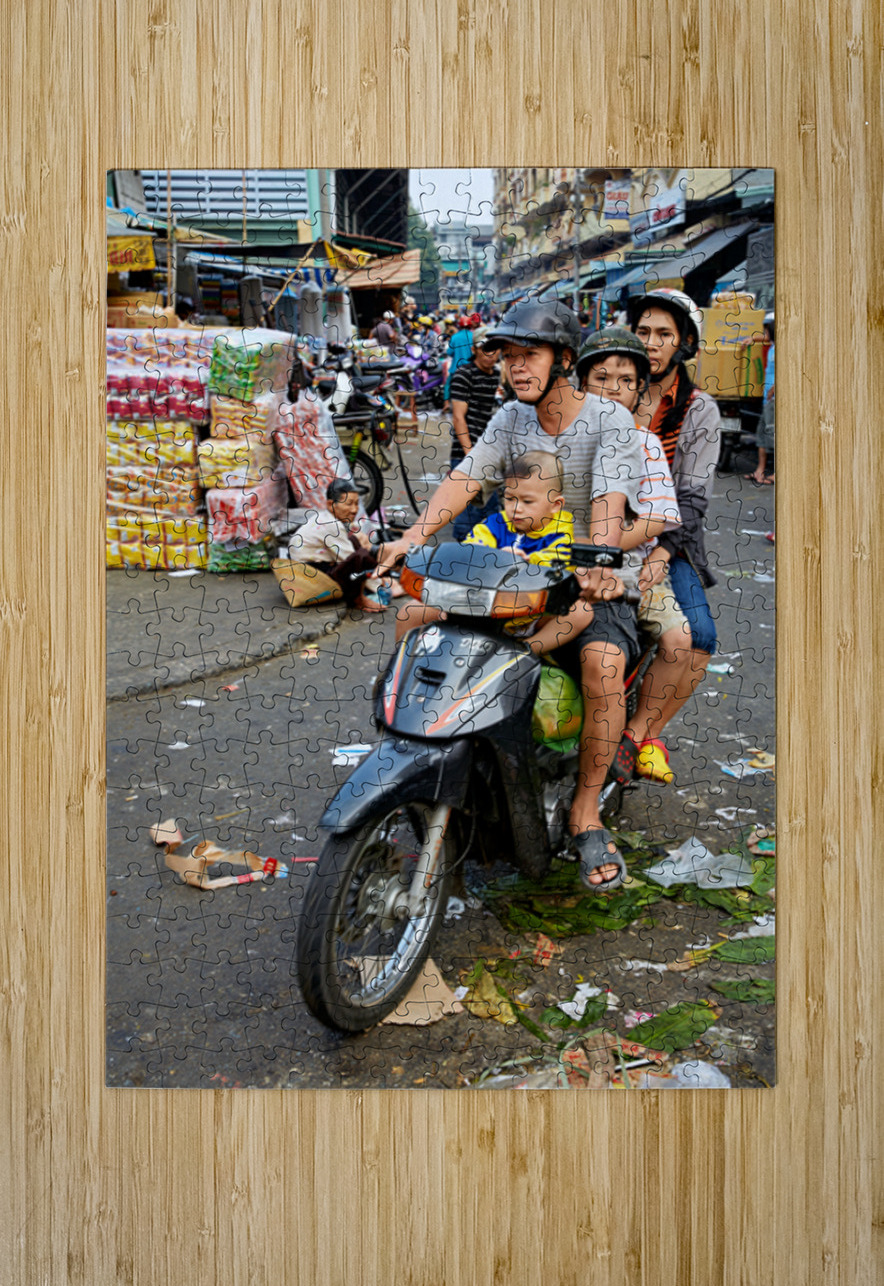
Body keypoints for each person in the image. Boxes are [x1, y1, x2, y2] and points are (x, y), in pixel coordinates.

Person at [378, 299, 646, 893]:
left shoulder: (609, 421)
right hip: (509, 574)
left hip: (581, 576)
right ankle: (415, 761)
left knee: (603, 662)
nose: (515, 367)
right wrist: (413, 535)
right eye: (508, 356)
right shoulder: (506, 420)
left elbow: (609, 497)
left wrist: (601, 560)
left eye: (529, 355)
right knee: (414, 618)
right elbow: (467, 477)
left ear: (565, 360)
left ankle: (584, 813)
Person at [573, 327, 692, 784]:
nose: (614, 389)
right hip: (556, 566)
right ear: (581, 383)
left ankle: (636, 733)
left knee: (678, 640)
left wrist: (596, 546)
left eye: (626, 380)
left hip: (630, 570)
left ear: (640, 388)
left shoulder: (646, 445)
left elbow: (657, 518)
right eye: (602, 378)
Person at [621, 287, 721, 778]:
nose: (652, 342)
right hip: (602, 537)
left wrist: (661, 551)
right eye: (644, 332)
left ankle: (642, 734)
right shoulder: (614, 384)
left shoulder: (700, 410)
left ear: (683, 344)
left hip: (671, 541)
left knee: (699, 635)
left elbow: (692, 500)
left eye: (664, 334)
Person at [286, 480, 386, 614]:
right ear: (330, 504)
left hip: (306, 568)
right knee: (360, 558)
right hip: (310, 575)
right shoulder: (332, 525)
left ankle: (373, 585)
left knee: (356, 540)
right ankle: (359, 599)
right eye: (349, 504)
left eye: (356, 504)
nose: (354, 510)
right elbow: (349, 558)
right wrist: (378, 584)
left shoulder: (323, 517)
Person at [448, 326, 503, 540]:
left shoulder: (496, 374)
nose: (491, 355)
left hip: (489, 453)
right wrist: (470, 453)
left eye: (494, 350)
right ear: (475, 349)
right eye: (485, 349)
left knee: (491, 513)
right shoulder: (464, 374)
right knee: (468, 517)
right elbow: (459, 417)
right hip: (467, 453)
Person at [746, 312, 775, 484]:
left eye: (766, 330)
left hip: (775, 398)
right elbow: (763, 338)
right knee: (762, 435)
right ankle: (760, 470)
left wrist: (774, 388)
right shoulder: (772, 345)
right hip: (767, 399)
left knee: (773, 435)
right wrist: (752, 339)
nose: (764, 334)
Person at [441, 316, 476, 411]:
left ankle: (446, 403)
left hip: (456, 368)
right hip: (470, 368)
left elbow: (449, 352)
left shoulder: (455, 337)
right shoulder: (474, 336)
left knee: (448, 384)